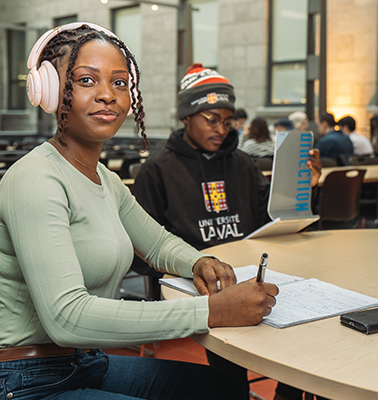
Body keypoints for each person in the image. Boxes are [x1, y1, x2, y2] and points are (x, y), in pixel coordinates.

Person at [0, 23, 279, 400]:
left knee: (224, 389)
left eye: (119, 83)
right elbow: (68, 318)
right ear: (49, 90)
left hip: (82, 362)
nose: (107, 95)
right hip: (19, 379)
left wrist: (201, 262)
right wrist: (210, 311)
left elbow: (159, 244)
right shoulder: (34, 179)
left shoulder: (104, 178)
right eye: (86, 80)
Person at [131, 63, 322, 400]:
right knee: (228, 374)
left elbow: (268, 219)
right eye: (211, 119)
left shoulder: (243, 163)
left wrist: (304, 189)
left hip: (250, 272)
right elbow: (145, 246)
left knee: (304, 329)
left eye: (227, 120)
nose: (221, 128)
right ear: (187, 117)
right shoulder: (157, 170)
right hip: (197, 283)